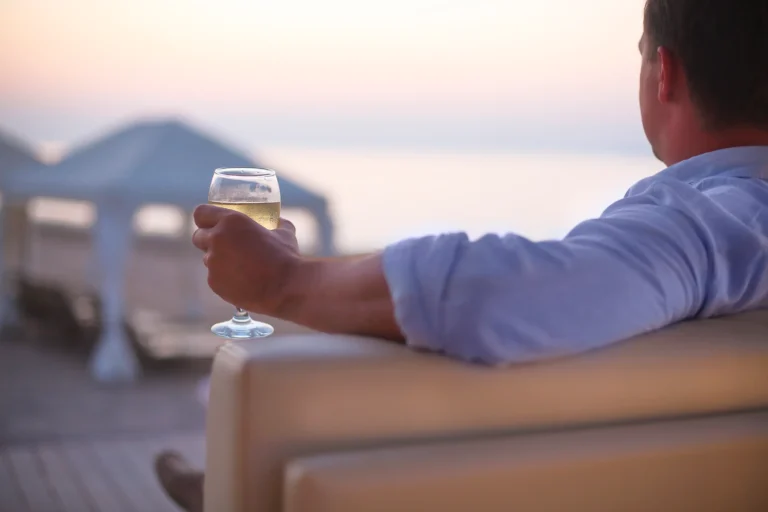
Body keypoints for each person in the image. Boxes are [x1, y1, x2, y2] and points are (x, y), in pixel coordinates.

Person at [155, 0, 768, 510]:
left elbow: (495, 295)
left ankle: (229, 488)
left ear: (664, 74)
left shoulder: (719, 222)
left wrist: (283, 281)